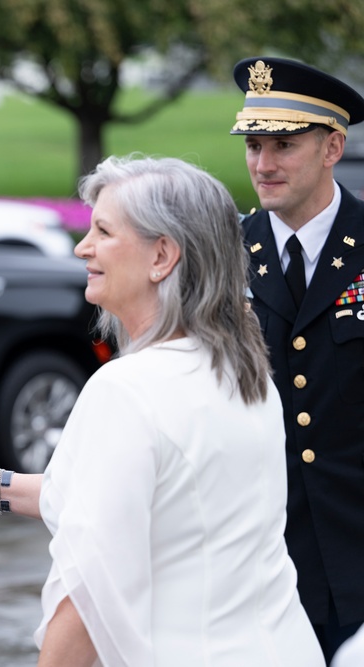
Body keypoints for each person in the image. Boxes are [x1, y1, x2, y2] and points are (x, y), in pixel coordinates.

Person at [0, 155, 324, 666]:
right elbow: (133, 498)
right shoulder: (245, 371)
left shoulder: (129, 389)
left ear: (162, 256)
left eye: (103, 231)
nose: (82, 247)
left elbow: (91, 596)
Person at [228, 56, 364, 663]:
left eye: (283, 144)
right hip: (266, 566)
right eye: (254, 145)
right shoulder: (227, 255)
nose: (263, 164)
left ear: (333, 146)